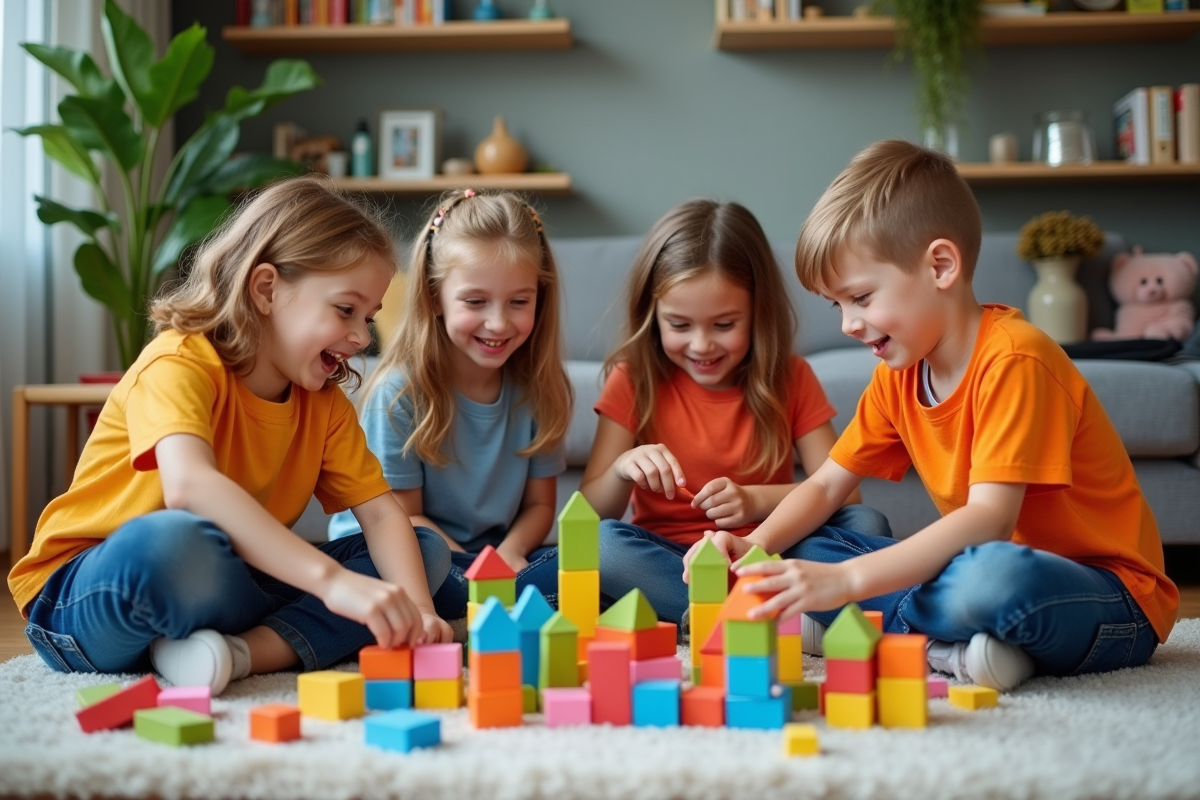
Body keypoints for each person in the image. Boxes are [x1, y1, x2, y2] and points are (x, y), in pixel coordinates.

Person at [685, 140, 1179, 691]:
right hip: (983, 572)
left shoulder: (1016, 359)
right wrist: (755, 547)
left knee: (987, 578)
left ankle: (880, 629)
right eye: (837, 305)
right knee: (807, 547)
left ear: (940, 266)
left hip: (1109, 597)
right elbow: (825, 486)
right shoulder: (897, 375)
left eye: (861, 298)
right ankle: (950, 648)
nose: (848, 323)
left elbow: (989, 520)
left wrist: (848, 582)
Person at [7, 176, 454, 695]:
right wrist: (334, 584)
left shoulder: (324, 403)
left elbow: (380, 514)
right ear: (266, 289)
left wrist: (420, 613)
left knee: (422, 550)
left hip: (224, 585)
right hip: (89, 594)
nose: (360, 337)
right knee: (175, 542)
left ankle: (236, 652)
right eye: (345, 310)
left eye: (369, 317)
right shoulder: (179, 360)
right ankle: (265, 631)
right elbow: (189, 487)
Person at [581, 199, 891, 627]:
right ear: (653, 316)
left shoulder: (791, 377)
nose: (702, 345)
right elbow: (588, 516)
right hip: (677, 563)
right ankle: (765, 613)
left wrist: (754, 501)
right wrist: (621, 469)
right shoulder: (633, 379)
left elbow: (843, 494)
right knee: (600, 544)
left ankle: (733, 612)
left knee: (865, 522)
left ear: (758, 313)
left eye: (724, 325)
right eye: (679, 325)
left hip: (772, 552)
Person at [329, 189, 572, 620]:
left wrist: (509, 554)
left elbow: (539, 507)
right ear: (434, 296)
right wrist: (483, 571)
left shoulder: (539, 391)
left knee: (592, 561)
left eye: (519, 302)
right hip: (406, 551)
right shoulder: (399, 394)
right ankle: (485, 607)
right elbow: (403, 520)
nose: (498, 322)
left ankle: (485, 607)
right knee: (430, 561)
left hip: (489, 556)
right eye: (475, 302)